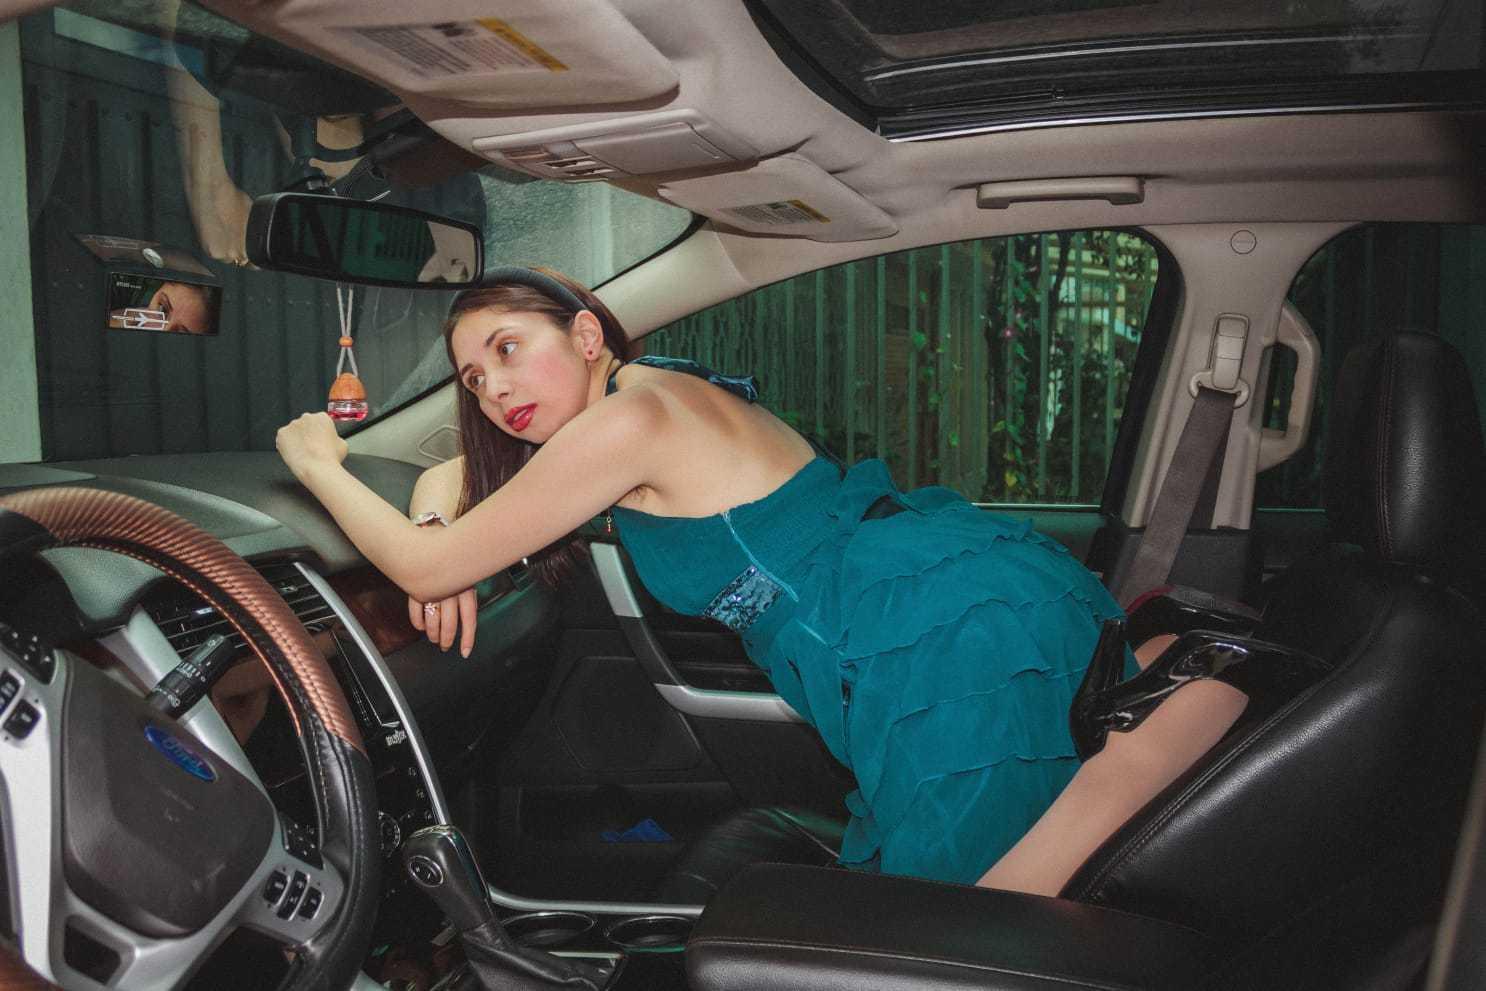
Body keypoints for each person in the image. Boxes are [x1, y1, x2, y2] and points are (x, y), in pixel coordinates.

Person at [276, 267, 1245, 892]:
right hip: (932, 600)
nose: (493, 388)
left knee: (975, 914)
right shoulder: (644, 398)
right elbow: (455, 483)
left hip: (936, 636)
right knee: (970, 892)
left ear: (586, 335)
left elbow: (428, 567)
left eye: (507, 349)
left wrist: (319, 461)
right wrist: (437, 514)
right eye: (473, 378)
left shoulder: (628, 422)